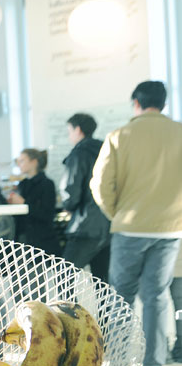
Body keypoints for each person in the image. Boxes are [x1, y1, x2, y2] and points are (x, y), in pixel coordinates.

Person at [91, 80, 182, 366]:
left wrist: (117, 213)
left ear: (136, 103)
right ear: (164, 104)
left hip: (129, 227)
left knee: (121, 298)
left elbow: (101, 185)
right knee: (157, 297)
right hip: (170, 229)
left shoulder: (120, 136)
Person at [60, 113, 111, 280]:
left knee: (64, 277)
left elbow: (71, 191)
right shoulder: (106, 150)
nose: (69, 136)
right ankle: (105, 308)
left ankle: (69, 307)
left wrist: (68, 206)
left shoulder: (78, 154)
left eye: (69, 131)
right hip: (108, 225)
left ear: (78, 130)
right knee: (103, 282)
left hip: (85, 226)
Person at [8, 148, 60, 255]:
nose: (19, 164)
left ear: (34, 162)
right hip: (22, 241)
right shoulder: (22, 184)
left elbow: (47, 214)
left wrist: (23, 203)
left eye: (22, 161)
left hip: (41, 242)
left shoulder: (47, 184)